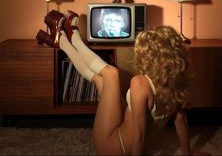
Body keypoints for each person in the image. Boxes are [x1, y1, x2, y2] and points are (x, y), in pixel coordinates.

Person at [36, 10, 209, 156]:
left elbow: (140, 134)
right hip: (131, 139)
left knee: (110, 74)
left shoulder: (141, 84)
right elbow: (181, 121)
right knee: (101, 81)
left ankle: (73, 38)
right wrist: (187, 153)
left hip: (113, 146)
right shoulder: (178, 83)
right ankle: (63, 42)